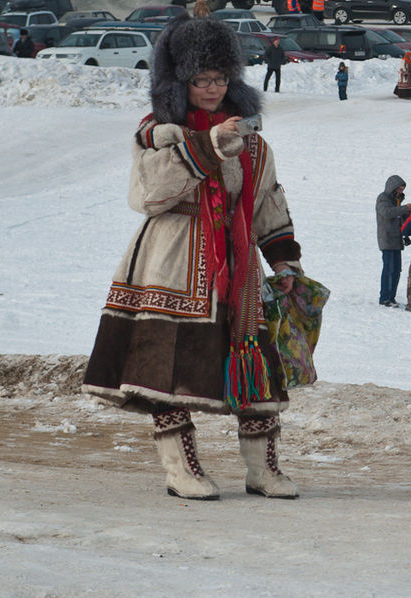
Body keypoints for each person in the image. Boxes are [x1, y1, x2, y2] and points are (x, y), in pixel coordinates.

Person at [82, 9, 307, 501]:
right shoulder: (158, 135)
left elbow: (268, 200)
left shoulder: (254, 144)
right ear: (178, 83)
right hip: (172, 263)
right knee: (168, 371)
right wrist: (208, 148)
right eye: (201, 79)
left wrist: (284, 259)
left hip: (238, 266)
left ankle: (262, 470)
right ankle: (180, 468)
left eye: (220, 78)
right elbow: (148, 196)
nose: (212, 88)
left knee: (254, 367)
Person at [376, 175, 411, 306]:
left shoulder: (397, 201)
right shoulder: (383, 199)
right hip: (387, 239)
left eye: (402, 188)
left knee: (397, 270)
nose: (401, 190)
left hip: (397, 240)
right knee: (389, 269)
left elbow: (399, 218)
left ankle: (391, 297)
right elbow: (386, 213)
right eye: (399, 188)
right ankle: (385, 297)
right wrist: (404, 209)